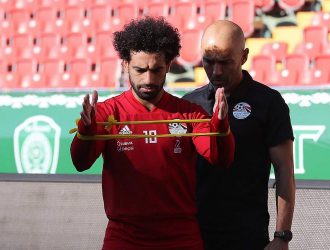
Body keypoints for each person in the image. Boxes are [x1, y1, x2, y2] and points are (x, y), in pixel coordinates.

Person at [70, 17, 235, 250]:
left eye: (157, 70)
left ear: (168, 65)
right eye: (140, 69)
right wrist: (85, 132)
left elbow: (220, 158)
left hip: (180, 237)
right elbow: (81, 162)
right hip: (125, 237)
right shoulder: (107, 113)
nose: (148, 79)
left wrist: (220, 125)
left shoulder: (189, 113)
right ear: (125, 64)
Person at [183, 20, 295, 250]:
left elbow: (284, 170)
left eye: (225, 62)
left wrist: (281, 236)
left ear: (243, 57)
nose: (216, 71)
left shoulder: (269, 103)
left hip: (247, 236)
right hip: (194, 235)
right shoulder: (189, 104)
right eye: (209, 62)